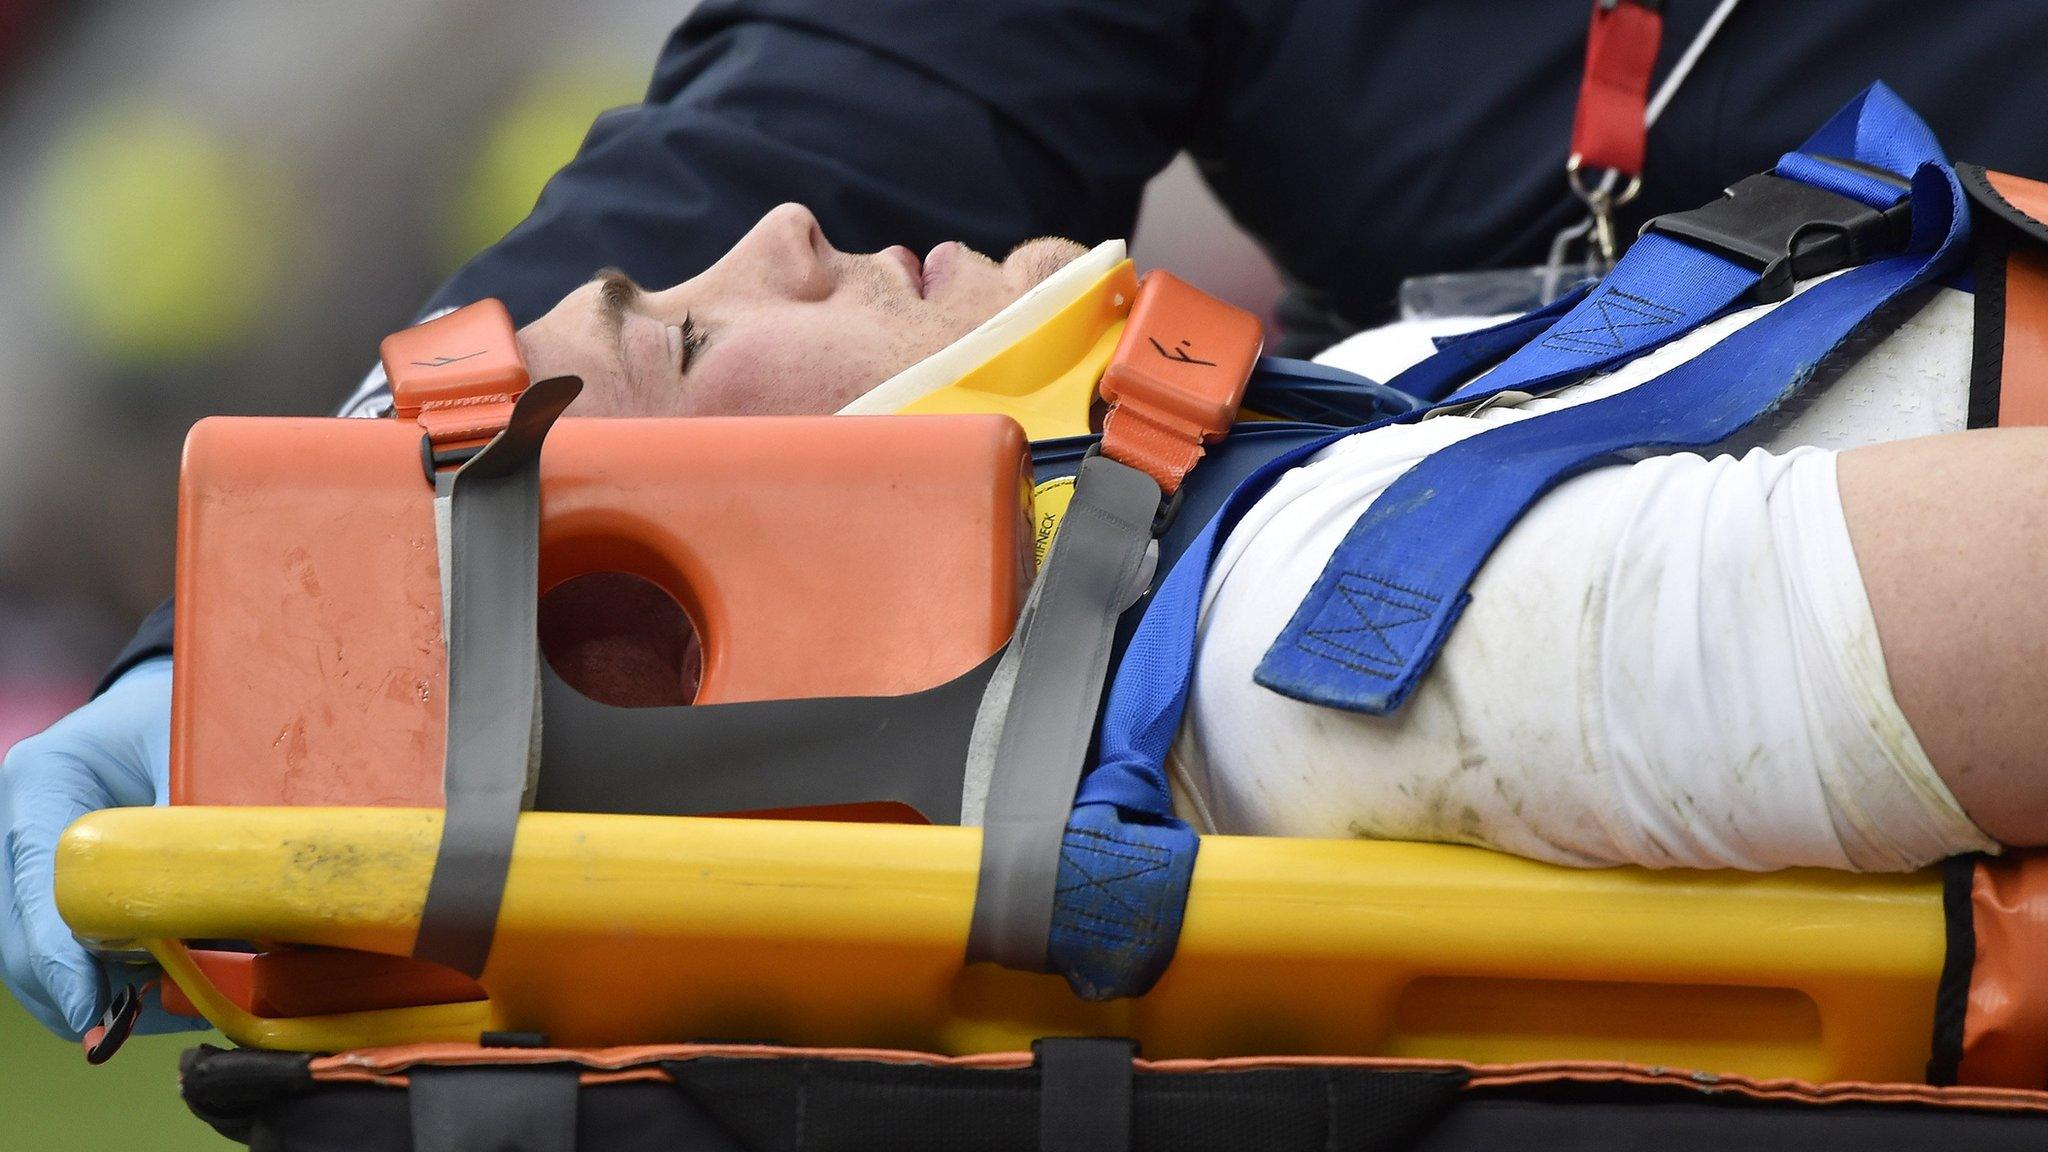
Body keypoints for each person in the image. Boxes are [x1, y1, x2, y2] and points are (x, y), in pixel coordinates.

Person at [15, 0, 2048, 1037]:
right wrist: (319, 607)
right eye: (695, 340)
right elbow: (825, 100)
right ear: (708, 628)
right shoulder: (1349, 635)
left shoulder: (1325, 541)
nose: (792, 238)